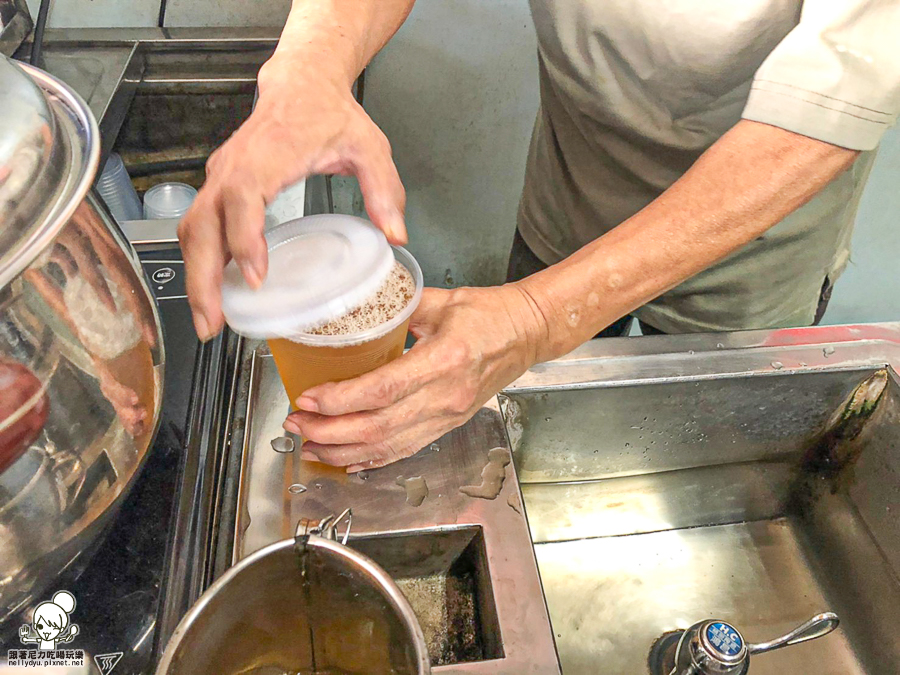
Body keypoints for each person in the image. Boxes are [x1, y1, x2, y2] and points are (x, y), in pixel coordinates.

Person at [178, 1, 900, 472]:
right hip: (572, 179)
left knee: (719, 461)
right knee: (531, 437)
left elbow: (829, 107)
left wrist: (536, 316)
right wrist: (307, 70)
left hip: (754, 228)